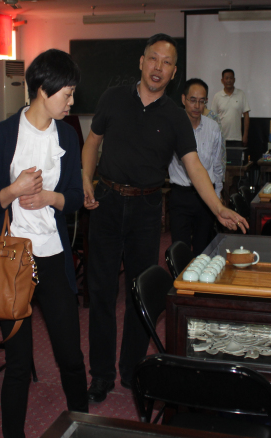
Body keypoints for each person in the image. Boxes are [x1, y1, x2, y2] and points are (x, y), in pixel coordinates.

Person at [82, 34, 248, 404]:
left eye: (167, 62)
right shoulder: (112, 98)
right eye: (153, 59)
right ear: (141, 62)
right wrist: (84, 178)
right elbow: (92, 142)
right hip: (106, 203)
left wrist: (218, 207)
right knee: (102, 292)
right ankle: (101, 374)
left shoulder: (175, 116)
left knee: (139, 292)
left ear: (173, 74)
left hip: (146, 210)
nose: (159, 67)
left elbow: (195, 167)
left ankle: (131, 370)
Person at [0, 49, 88, 438]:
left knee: (70, 356)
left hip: (53, 255)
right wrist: (15, 190)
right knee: (18, 363)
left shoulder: (68, 136)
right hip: (13, 260)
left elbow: (75, 197)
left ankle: (85, 435)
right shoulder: (5, 133)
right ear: (43, 90)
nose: (72, 102)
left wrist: (48, 198)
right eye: (67, 93)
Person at [168, 78, 225, 255]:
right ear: (183, 99)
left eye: (202, 101)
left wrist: (217, 196)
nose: (197, 106)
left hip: (205, 198)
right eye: (193, 100)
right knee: (180, 249)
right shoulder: (172, 126)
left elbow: (217, 165)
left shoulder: (213, 128)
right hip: (180, 195)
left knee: (204, 250)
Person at [211, 68, 251, 146]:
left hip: (237, 138)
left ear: (234, 80)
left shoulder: (241, 94)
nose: (229, 80)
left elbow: (246, 115)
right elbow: (213, 117)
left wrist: (245, 135)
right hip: (220, 138)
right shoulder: (217, 96)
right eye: (226, 78)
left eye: (231, 78)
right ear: (222, 80)